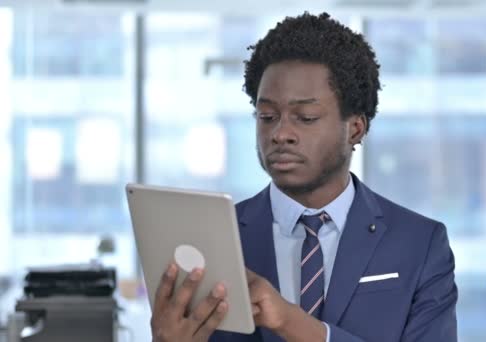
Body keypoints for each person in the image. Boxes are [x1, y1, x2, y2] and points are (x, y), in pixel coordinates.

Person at [150, 12, 458, 342]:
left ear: (355, 128)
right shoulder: (211, 242)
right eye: (267, 116)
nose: (281, 133)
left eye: (306, 117)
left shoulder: (419, 244)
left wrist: (290, 321)